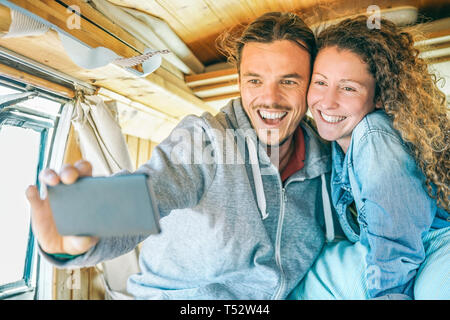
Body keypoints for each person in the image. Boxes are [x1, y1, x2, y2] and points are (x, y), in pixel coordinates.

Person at [26, 12, 335, 300]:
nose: (270, 98)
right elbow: (153, 188)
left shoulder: (327, 159)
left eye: (289, 81)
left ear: (312, 85)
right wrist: (88, 228)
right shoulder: (204, 140)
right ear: (239, 82)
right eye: (255, 80)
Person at [291, 16, 449, 300]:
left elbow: (395, 245)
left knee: (432, 292)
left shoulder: (373, 135)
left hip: (437, 244)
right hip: (392, 250)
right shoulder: (337, 144)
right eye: (320, 82)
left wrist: (388, 296)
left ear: (379, 96)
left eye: (348, 88)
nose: (328, 101)